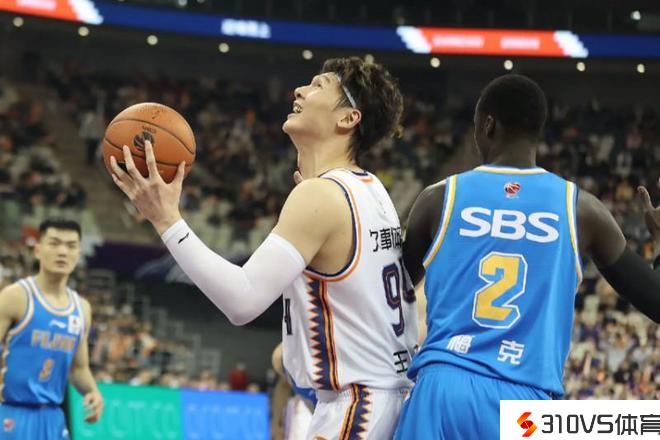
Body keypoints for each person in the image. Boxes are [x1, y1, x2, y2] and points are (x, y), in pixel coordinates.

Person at [110, 57, 418, 439]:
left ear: (348, 118)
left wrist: (166, 220)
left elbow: (243, 301)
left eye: (319, 86)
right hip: (383, 402)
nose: (300, 91)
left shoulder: (322, 194)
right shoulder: (370, 189)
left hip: (358, 409)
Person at [395, 74, 660, 438]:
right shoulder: (582, 210)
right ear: (538, 132)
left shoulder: (438, 198)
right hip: (524, 408)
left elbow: (392, 294)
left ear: (487, 126)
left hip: (442, 388)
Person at [0, 219, 104, 439]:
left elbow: (78, 369)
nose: (63, 252)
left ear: (78, 253)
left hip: (53, 418)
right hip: (11, 413)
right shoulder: (15, 297)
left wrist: (93, 391)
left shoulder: (81, 309)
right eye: (54, 243)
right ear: (38, 249)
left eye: (71, 245)